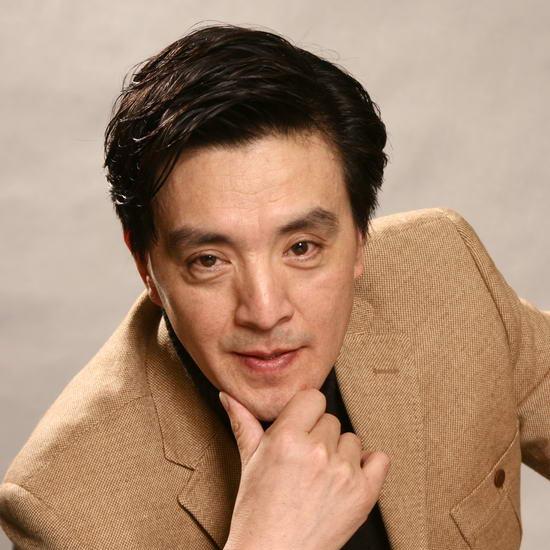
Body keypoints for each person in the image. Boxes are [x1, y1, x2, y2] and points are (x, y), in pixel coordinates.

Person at [1, 23, 548, 550]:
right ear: (146, 265)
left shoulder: (446, 273)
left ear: (361, 239)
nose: (264, 312)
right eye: (209, 260)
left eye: (301, 248)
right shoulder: (63, 509)